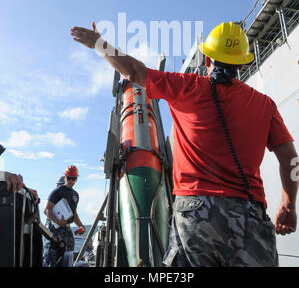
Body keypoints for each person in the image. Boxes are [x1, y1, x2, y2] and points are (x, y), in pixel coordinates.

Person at [70, 21, 298, 267]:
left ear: (208, 60)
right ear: (242, 64)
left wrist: (98, 43)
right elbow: (291, 159)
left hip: (195, 214)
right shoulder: (264, 105)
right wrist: (288, 204)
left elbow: (133, 72)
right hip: (249, 216)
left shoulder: (186, 86)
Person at [43, 165, 85, 267]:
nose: (71, 181)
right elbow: (47, 210)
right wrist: (57, 221)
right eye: (69, 178)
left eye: (73, 178)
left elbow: (73, 213)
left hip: (66, 230)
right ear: (65, 177)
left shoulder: (75, 195)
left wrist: (81, 226)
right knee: (52, 257)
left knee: (67, 258)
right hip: (55, 229)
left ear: (76, 179)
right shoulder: (57, 191)